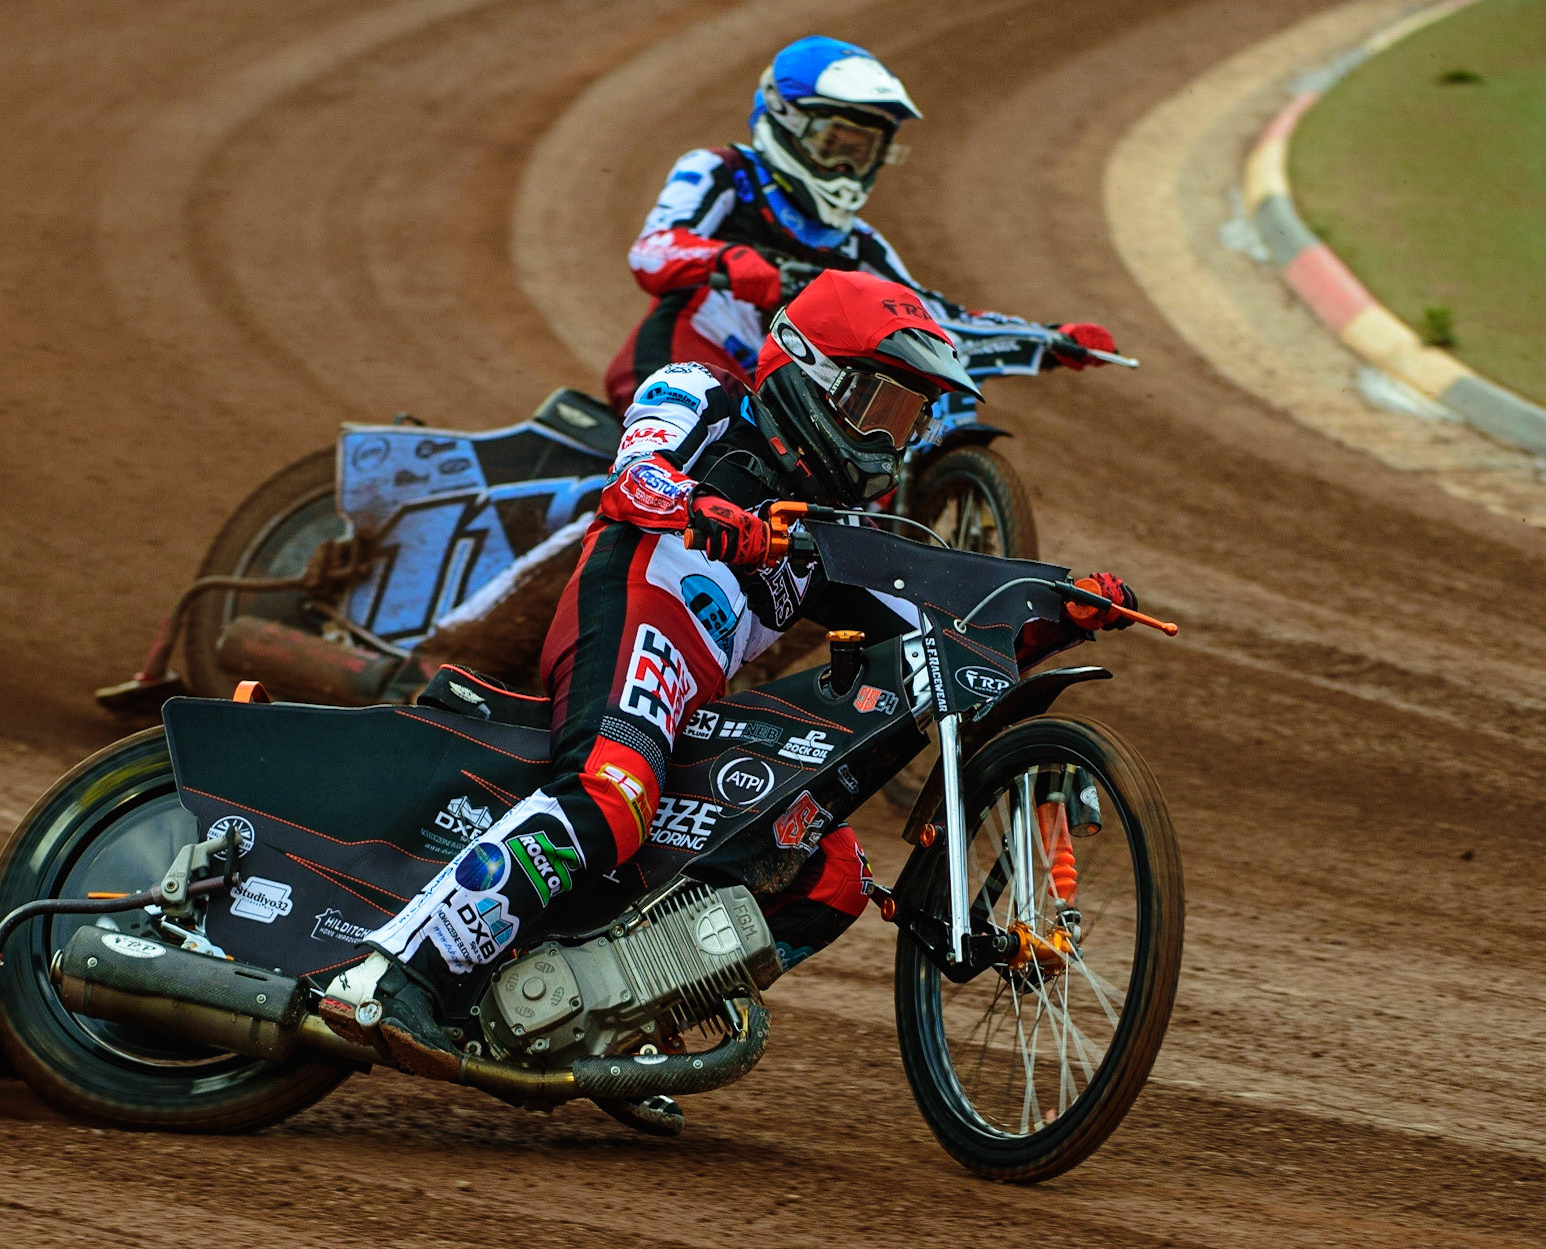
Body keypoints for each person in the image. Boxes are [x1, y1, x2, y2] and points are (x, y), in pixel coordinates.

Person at [325, 270, 1138, 1079]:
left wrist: (1052, 621)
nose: (891, 442)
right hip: (635, 618)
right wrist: (703, 510)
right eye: (877, 409)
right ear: (812, 371)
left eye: (907, 420)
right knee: (612, 800)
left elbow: (941, 641)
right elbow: (632, 480)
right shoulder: (701, 394)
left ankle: (620, 1026)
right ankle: (389, 976)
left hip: (697, 701)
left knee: (829, 876)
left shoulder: (835, 532)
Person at [603, 34, 1119, 413]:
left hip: (775, 398)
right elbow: (652, 250)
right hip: (685, 364)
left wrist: (1051, 340)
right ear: (786, 121)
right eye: (834, 145)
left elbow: (931, 317)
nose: (848, 169)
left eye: (863, 152)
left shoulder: (859, 244)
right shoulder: (721, 172)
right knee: (688, 460)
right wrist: (728, 259)